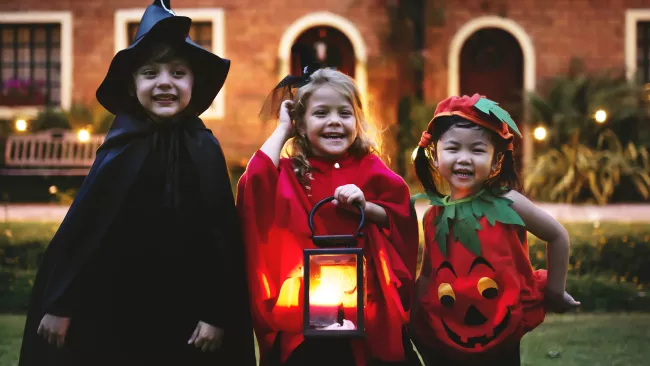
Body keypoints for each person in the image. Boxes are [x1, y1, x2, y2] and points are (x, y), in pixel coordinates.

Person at [18, 1, 255, 365]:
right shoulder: (120, 147)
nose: (164, 83)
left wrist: (216, 313)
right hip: (115, 311)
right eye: (150, 73)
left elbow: (219, 240)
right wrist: (61, 303)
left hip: (187, 317)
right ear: (132, 85)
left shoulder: (204, 148)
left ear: (194, 83)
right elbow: (85, 231)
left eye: (178, 73)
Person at [238, 62, 421, 366]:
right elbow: (253, 184)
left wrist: (366, 206)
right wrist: (282, 129)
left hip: (367, 306)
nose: (334, 122)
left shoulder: (371, 169)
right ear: (301, 123)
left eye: (344, 113)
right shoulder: (289, 173)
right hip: (305, 311)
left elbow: (400, 216)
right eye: (321, 113)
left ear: (357, 121)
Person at [409, 94, 580, 366]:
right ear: (434, 154)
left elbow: (557, 235)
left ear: (496, 159)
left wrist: (555, 291)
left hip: (501, 325)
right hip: (448, 329)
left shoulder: (507, 203)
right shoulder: (433, 217)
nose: (464, 159)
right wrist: (414, 318)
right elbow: (429, 274)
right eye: (453, 148)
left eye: (477, 150)